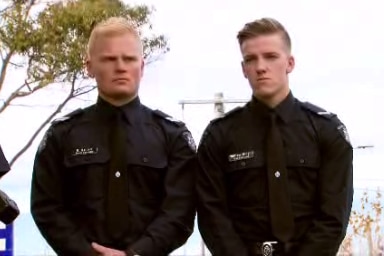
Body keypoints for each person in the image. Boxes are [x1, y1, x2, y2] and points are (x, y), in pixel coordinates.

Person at [31, 17, 197, 256]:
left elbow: (180, 211)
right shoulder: (62, 136)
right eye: (109, 59)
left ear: (142, 66)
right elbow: (47, 207)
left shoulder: (173, 136)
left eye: (129, 59)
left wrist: (137, 253)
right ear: (89, 66)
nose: (120, 67)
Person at [196, 17, 353, 256]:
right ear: (243, 69)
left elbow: (333, 217)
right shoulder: (219, 136)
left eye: (270, 56)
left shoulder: (326, 130)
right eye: (251, 59)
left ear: (289, 63)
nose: (260, 67)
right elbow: (212, 216)